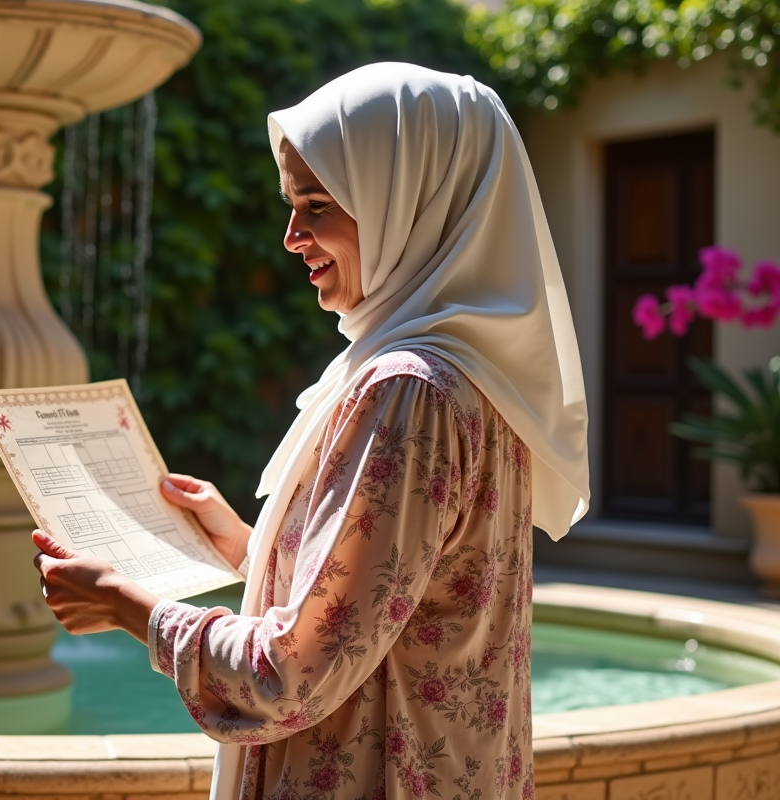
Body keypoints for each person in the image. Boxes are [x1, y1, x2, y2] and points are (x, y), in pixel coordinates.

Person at [31, 62, 590, 800]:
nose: (292, 236)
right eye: (293, 204)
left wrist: (128, 608)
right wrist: (239, 540)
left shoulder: (406, 392)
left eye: (318, 205)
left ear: (408, 202)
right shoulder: (477, 376)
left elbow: (289, 675)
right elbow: (408, 592)